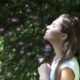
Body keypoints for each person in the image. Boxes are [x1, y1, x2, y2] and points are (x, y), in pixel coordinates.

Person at [38, 14, 80, 80]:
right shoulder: (57, 59)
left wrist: (44, 75)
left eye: (54, 26)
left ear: (63, 36)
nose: (48, 26)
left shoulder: (67, 67)